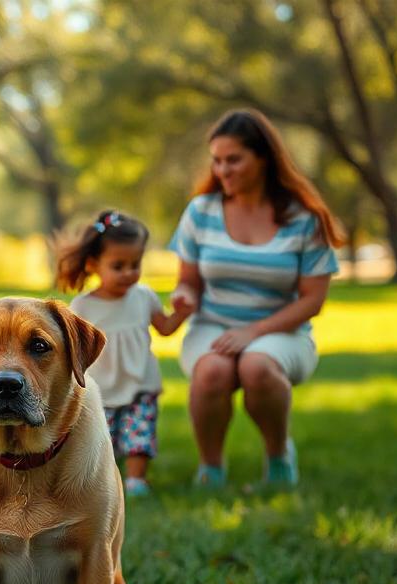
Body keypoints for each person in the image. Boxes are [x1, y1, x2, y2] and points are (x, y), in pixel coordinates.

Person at [168, 108, 345, 488]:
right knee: (212, 370)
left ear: (264, 158)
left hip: (283, 330)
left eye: (234, 160)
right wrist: (184, 296)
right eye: (217, 161)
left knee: (256, 366)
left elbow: (312, 300)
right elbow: (189, 281)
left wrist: (254, 332)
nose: (223, 170)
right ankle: (211, 470)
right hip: (212, 326)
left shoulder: (304, 219)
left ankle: (279, 457)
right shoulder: (201, 212)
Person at [58, 210, 195, 498]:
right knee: (98, 437)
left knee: (139, 433)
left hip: (140, 382)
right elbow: (72, 345)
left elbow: (165, 328)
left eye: (135, 264)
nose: (129, 273)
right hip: (100, 386)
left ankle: (136, 480)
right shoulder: (84, 306)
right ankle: (101, 481)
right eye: (118, 265)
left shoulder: (143, 296)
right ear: (94, 264)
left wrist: (181, 313)